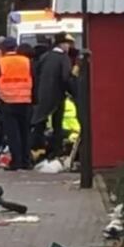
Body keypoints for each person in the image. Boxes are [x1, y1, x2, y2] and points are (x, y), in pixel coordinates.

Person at [0, 39, 34, 170]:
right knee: (25, 132)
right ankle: (26, 161)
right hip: (25, 101)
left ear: (3, 49)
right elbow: (35, 79)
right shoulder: (26, 61)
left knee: (13, 133)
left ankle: (16, 161)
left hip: (7, 101)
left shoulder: (1, 62)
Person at [31, 31, 75, 161]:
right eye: (67, 44)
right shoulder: (63, 58)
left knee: (39, 123)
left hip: (42, 95)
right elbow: (66, 78)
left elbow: (36, 74)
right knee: (57, 125)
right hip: (57, 96)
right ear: (61, 44)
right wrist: (74, 92)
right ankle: (56, 151)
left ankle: (35, 148)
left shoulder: (45, 56)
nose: (68, 47)